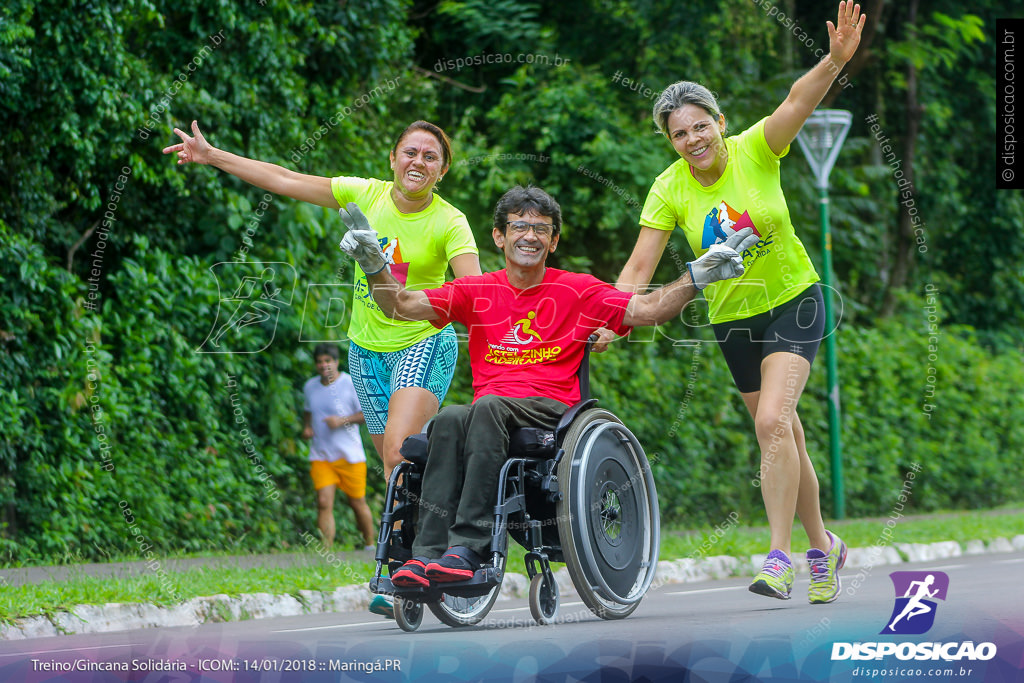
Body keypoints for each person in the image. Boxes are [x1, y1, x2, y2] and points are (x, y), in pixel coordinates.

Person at [338, 185, 757, 585]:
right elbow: (402, 305)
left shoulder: (578, 289)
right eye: (519, 226)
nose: (530, 236)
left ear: (553, 241)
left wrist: (695, 277)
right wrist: (376, 266)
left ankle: (468, 549)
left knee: (485, 408)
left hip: (553, 409)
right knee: (449, 418)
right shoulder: (476, 290)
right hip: (493, 411)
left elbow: (647, 309)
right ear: (499, 237)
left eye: (541, 228)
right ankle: (425, 556)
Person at [606, 2, 865, 604]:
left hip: (795, 299)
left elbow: (797, 100)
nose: (692, 139)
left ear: (719, 121)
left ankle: (780, 557)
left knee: (771, 420)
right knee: (786, 435)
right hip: (732, 319)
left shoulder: (757, 148)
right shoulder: (668, 187)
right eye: (679, 133)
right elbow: (639, 268)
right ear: (668, 140)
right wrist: (612, 316)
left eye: (700, 125)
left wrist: (833, 59)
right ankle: (824, 547)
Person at [163, 120, 482, 484]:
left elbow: (474, 291)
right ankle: (416, 532)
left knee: (400, 453)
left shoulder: (450, 221)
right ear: (393, 158)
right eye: (410, 153)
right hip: (365, 349)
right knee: (395, 473)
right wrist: (211, 155)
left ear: (442, 171)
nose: (418, 162)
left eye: (430, 157)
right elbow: (285, 180)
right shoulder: (364, 194)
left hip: (423, 341)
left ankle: (439, 523)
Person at [301, 343, 375, 549]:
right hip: (321, 455)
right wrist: (307, 427)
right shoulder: (310, 386)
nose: (323, 365)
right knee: (324, 503)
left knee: (357, 502)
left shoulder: (351, 384)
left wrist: (342, 420)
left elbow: (365, 415)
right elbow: (307, 411)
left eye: (327, 361)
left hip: (350, 455)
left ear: (336, 362)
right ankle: (327, 549)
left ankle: (370, 544)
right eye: (319, 362)